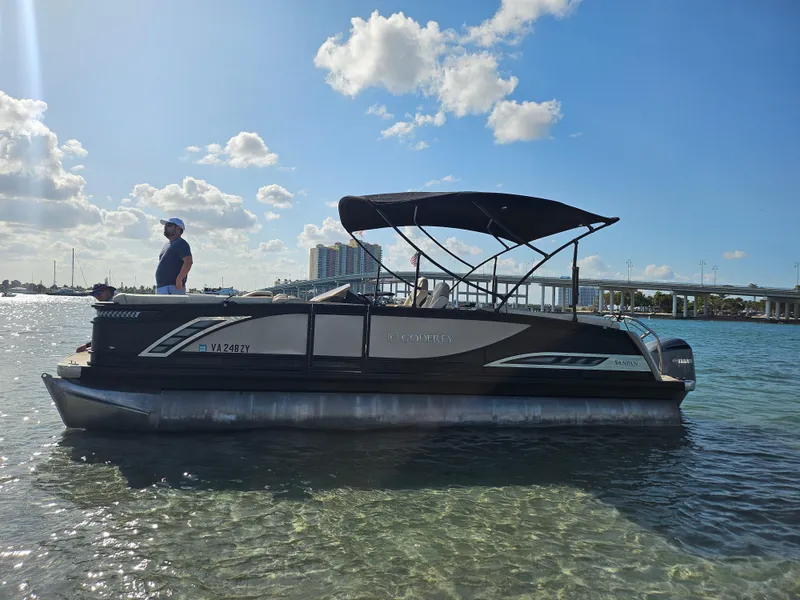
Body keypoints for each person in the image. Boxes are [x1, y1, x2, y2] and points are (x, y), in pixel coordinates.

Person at [156, 217, 193, 295]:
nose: (165, 227)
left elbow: (188, 261)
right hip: (163, 287)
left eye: (169, 225)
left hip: (173, 287)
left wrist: (179, 280)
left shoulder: (181, 243)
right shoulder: (167, 245)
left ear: (178, 228)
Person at [76, 283, 117, 352]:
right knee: (80, 349)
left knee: (83, 350)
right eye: (94, 294)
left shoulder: (115, 303)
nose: (97, 296)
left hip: (113, 340)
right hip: (104, 338)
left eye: (99, 292)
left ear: (107, 291)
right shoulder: (103, 307)